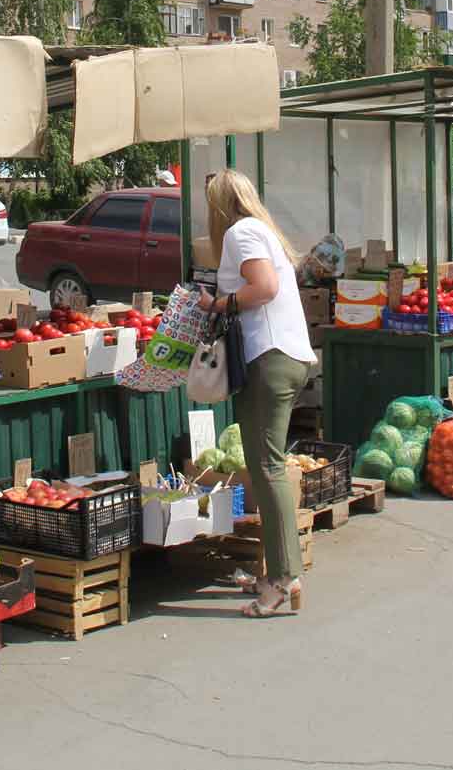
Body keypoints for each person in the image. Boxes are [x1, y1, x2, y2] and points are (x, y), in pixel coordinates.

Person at [196, 170, 317, 617]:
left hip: (269, 359)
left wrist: (218, 304)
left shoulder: (240, 232)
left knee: (267, 470)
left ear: (220, 205)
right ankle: (277, 575)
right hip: (287, 357)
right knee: (267, 466)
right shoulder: (261, 230)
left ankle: (285, 579)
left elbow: (263, 288)